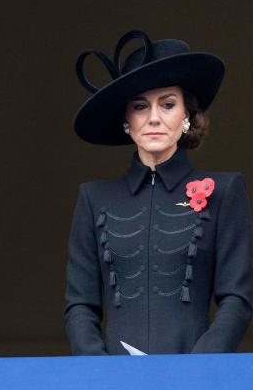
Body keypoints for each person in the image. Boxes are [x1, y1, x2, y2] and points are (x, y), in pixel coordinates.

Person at [66, 29, 253, 355]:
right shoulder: (93, 198)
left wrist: (198, 368)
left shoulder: (225, 191)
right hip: (115, 384)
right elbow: (80, 305)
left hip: (195, 379)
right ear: (127, 120)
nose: (153, 118)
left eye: (167, 104)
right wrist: (100, 370)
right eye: (140, 106)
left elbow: (237, 298)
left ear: (187, 116)